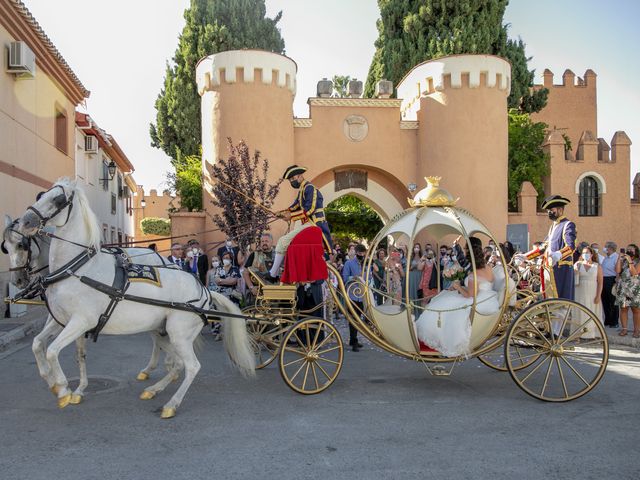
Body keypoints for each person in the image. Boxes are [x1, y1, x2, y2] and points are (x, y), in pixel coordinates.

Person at [415, 238, 499, 357]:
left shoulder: (474, 272)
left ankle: (437, 338)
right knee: (443, 298)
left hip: (475, 300)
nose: (464, 250)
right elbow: (479, 288)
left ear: (469, 251)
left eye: (465, 248)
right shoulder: (487, 267)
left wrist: (457, 286)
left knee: (441, 303)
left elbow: (470, 295)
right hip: (487, 297)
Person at [267, 165, 333, 281]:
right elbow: (295, 206)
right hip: (308, 225)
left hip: (314, 224)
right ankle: (274, 273)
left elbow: (309, 210)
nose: (292, 181)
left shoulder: (310, 188)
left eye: (293, 179)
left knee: (282, 241)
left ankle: (273, 274)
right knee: (286, 243)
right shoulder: (303, 190)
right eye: (290, 180)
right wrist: (281, 213)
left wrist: (290, 216)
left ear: (300, 175)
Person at [573, 246, 604, 338]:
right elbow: (573, 277)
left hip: (592, 292)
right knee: (579, 311)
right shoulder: (578, 264)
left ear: (591, 254)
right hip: (580, 291)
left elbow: (600, 282)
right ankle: (578, 334)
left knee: (592, 311)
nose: (585, 254)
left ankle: (591, 334)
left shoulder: (597, 266)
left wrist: (598, 295)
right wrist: (576, 267)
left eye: (587, 253)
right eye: (583, 253)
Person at [341, 244, 366, 351]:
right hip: (352, 295)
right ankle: (354, 341)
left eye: (363, 253)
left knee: (358, 318)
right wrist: (354, 278)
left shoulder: (365, 264)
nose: (361, 255)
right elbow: (345, 278)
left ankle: (353, 339)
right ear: (356, 253)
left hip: (363, 296)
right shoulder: (349, 263)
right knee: (353, 319)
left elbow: (368, 277)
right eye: (359, 253)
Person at [614, 244, 640, 338]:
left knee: (636, 310)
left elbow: (634, 273)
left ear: (636, 251)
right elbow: (617, 271)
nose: (629, 251)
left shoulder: (638, 261)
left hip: (635, 288)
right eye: (628, 249)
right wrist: (619, 258)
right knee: (623, 309)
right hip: (623, 288)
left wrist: (630, 261)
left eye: (631, 250)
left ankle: (636, 330)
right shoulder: (623, 260)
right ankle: (624, 329)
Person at [243, 233, 275, 301]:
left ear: (272, 242)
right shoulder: (254, 255)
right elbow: (245, 272)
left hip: (274, 290)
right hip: (257, 291)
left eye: (266, 241)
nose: (264, 243)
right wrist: (251, 287)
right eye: (262, 241)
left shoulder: (278, 254)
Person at [601, 241, 619, 328]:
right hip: (604, 280)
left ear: (610, 248)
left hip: (611, 280)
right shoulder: (606, 258)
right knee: (605, 301)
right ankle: (607, 320)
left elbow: (618, 270)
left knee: (613, 302)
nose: (604, 249)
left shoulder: (616, 257)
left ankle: (614, 322)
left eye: (606, 247)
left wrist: (616, 281)